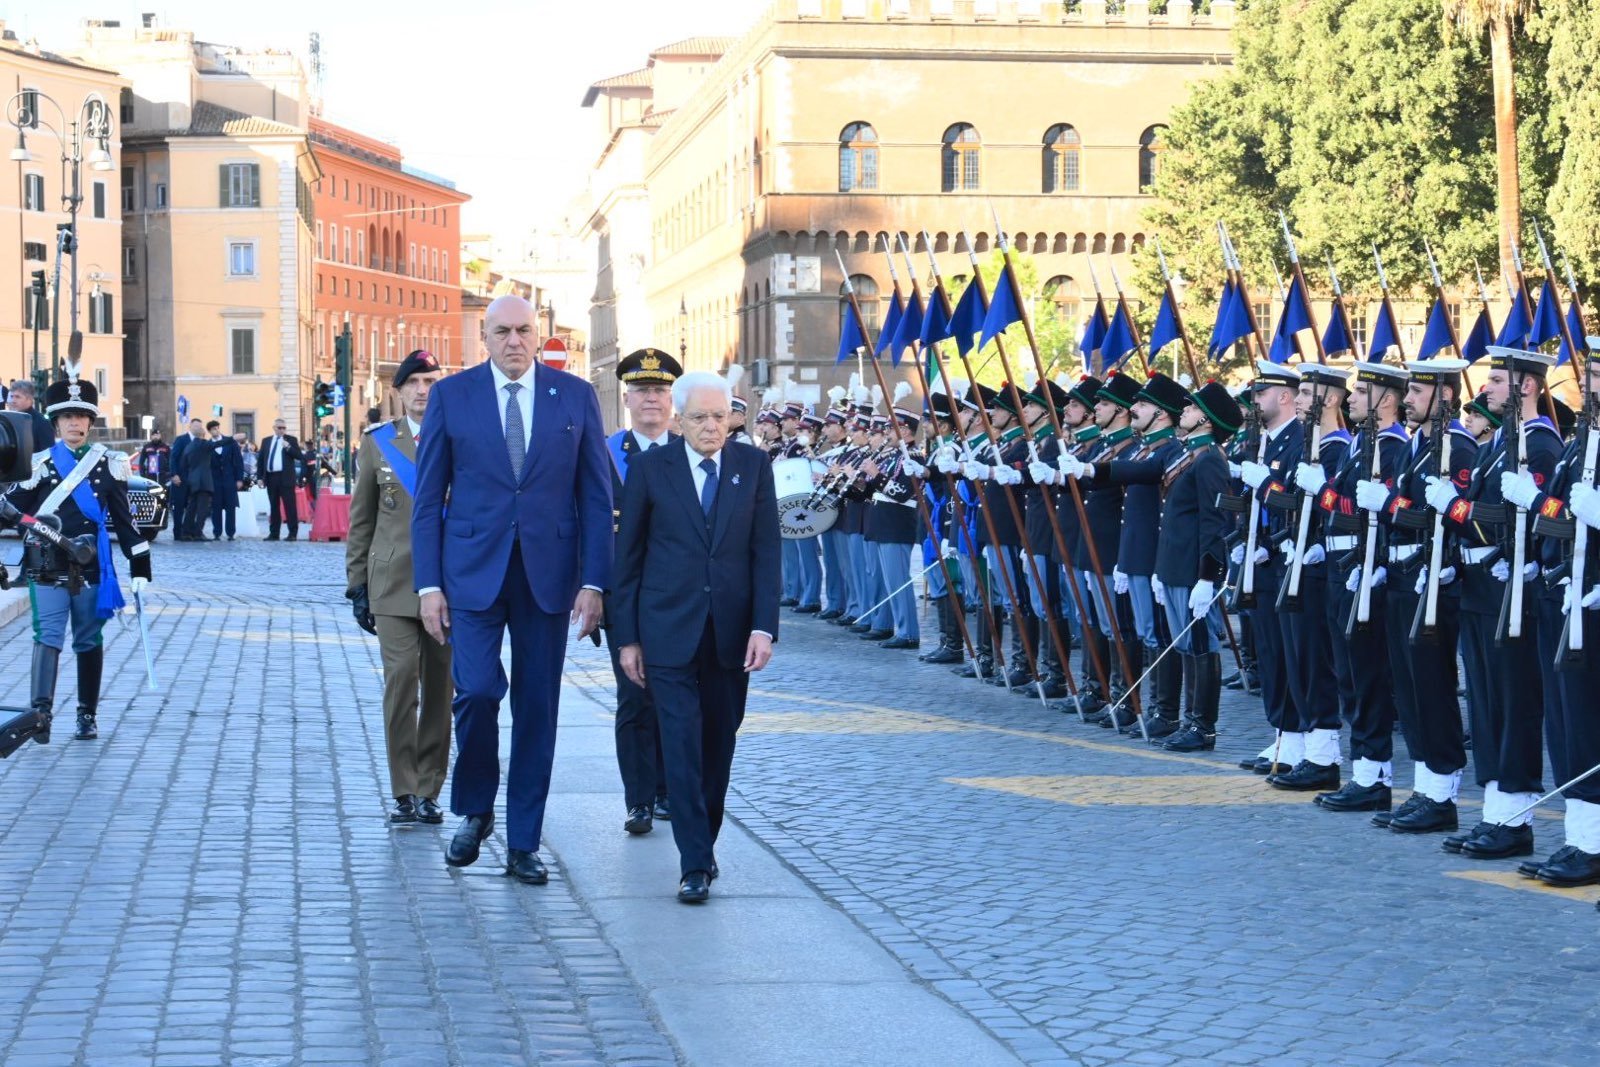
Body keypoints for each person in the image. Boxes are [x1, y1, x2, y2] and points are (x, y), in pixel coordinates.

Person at [412, 295, 611, 885]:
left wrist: (594, 581)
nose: (515, 342)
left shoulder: (574, 396)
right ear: (485, 337)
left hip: (548, 578)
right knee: (474, 692)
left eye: (525, 330)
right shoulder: (453, 395)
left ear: (538, 334)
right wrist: (428, 586)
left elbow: (596, 498)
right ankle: (476, 810)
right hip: (471, 574)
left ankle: (524, 839)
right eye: (503, 332)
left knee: (538, 709)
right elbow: (427, 502)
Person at [611, 370, 781, 902]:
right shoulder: (649, 469)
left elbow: (766, 551)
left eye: (722, 416)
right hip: (667, 632)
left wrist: (763, 627)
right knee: (680, 744)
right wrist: (628, 639)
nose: (713, 427)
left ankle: (702, 840)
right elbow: (629, 560)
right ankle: (694, 861)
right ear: (680, 420)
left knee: (717, 745)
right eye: (702, 418)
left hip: (730, 635)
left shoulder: (752, 466)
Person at [0, 379, 152, 742]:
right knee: (47, 637)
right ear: (55, 423)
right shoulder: (39, 464)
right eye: (67, 416)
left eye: (81, 416)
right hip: (45, 563)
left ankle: (87, 714)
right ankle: (41, 714)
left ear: (90, 422)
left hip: (90, 564)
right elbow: (12, 510)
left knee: (88, 639)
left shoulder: (110, 464)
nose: (74, 424)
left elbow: (125, 523)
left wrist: (140, 568)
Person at [347, 350, 452, 827]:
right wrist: (357, 587)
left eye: (430, 381)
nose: (422, 391)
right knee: (400, 683)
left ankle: (430, 787)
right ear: (399, 390)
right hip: (391, 582)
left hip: (447, 586)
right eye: (414, 383)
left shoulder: (458, 437)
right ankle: (403, 788)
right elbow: (361, 520)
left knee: (439, 688)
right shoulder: (378, 443)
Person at [604, 347, 682, 836]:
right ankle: (639, 800)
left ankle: (670, 789)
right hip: (625, 598)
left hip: (680, 598)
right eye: (643, 391)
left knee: (675, 697)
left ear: (671, 400)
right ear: (627, 398)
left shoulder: (690, 452)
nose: (651, 399)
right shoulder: (605, 454)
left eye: (660, 391)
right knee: (634, 696)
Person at [259, 418, 304, 540]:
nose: (282, 430)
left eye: (284, 428)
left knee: (290, 506)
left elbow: (299, 456)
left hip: (286, 478)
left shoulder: (291, 440)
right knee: (274, 506)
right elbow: (261, 459)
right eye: (279, 428)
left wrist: (288, 447)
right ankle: (274, 533)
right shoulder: (266, 441)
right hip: (271, 477)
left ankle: (292, 533)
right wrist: (260, 477)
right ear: (274, 428)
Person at [208, 420, 244, 541]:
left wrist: (239, 479)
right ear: (210, 431)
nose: (216, 431)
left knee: (230, 507)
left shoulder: (230, 442)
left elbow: (238, 461)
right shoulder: (208, 445)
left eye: (217, 428)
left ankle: (230, 533)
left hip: (229, 479)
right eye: (213, 429)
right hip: (215, 481)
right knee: (216, 507)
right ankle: (217, 532)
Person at [180, 420, 215, 540]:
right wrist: (232, 439)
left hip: (193, 481)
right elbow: (218, 444)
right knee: (202, 509)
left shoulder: (189, 447)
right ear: (203, 435)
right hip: (204, 482)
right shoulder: (204, 444)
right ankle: (198, 532)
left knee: (191, 508)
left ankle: (186, 532)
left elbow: (183, 465)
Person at [168, 418, 202, 537]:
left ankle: (189, 531)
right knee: (179, 507)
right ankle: (177, 532)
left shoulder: (201, 441)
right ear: (190, 427)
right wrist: (174, 474)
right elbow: (174, 458)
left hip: (194, 481)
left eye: (199, 427)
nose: (198, 428)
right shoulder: (181, 440)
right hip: (180, 479)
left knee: (192, 508)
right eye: (196, 426)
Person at [6, 378, 54, 450]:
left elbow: (48, 453)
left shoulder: (42, 422)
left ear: (29, 399)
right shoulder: (8, 419)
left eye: (17, 397)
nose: (13, 401)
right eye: (12, 396)